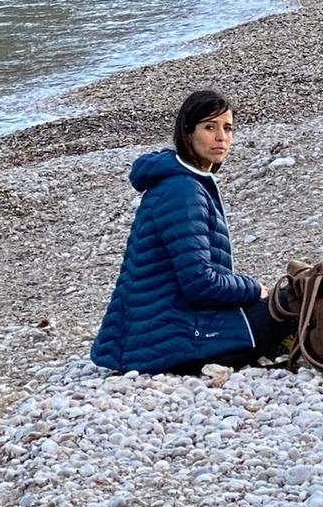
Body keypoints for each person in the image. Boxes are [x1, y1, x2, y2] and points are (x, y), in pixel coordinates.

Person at [91, 89, 290, 374]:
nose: (221, 137)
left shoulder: (183, 182)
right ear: (187, 133)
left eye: (228, 128)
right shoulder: (183, 191)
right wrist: (254, 288)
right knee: (293, 301)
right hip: (169, 342)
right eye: (210, 127)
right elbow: (200, 283)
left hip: (156, 333)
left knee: (284, 299)